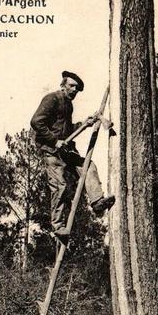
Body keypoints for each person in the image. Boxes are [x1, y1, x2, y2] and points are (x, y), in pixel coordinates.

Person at [30, 71, 115, 239]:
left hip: (66, 150)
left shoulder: (68, 104)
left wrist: (84, 124)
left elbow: (66, 130)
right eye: (72, 86)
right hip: (52, 152)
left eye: (77, 88)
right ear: (63, 85)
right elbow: (36, 122)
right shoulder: (52, 99)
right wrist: (54, 141)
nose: (75, 90)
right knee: (59, 186)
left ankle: (97, 202)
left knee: (88, 165)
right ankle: (58, 226)